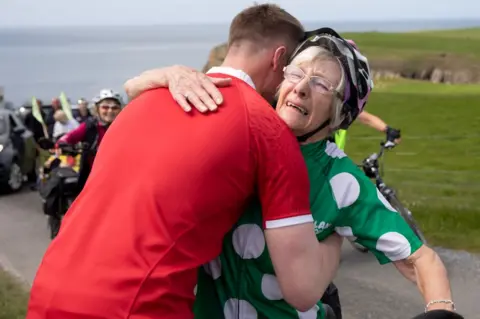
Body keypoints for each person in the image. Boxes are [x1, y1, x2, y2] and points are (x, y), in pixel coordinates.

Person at [26, 5, 342, 319]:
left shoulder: (142, 100)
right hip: (138, 306)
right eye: (291, 70)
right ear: (278, 59)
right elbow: (302, 291)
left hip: (48, 291)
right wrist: (336, 229)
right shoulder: (267, 130)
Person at [124, 28, 456, 318]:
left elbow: (420, 259)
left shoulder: (340, 180)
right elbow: (140, 99)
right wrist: (164, 75)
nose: (300, 89)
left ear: (340, 115)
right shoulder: (231, 127)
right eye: (296, 73)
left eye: (322, 84)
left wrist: (441, 309)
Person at [55, 89, 123, 193]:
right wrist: (61, 145)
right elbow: (68, 138)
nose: (110, 111)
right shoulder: (90, 126)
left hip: (120, 174)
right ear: (97, 109)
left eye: (115, 107)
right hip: (93, 176)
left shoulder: (125, 126)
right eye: (105, 107)